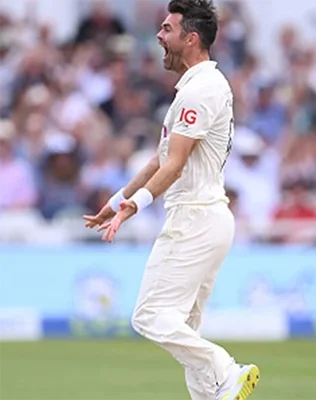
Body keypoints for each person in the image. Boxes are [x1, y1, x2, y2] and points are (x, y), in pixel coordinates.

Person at [82, 1, 259, 399]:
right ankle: (214, 390)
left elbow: (175, 165)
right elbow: (160, 159)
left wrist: (135, 205)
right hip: (208, 218)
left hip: (194, 218)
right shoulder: (197, 88)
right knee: (185, 332)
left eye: (166, 29)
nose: (159, 37)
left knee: (149, 316)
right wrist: (117, 199)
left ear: (190, 38)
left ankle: (226, 369)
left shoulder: (201, 90)